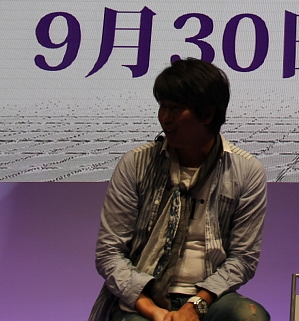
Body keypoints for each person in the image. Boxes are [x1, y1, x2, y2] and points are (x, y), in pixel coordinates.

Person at [89, 59, 269, 321]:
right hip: (143, 298)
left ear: (208, 115)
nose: (165, 118)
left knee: (250, 317)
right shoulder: (136, 163)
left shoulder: (246, 171)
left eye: (175, 108)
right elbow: (109, 253)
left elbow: (243, 258)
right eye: (162, 106)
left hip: (209, 298)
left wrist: (195, 306)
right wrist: (152, 310)